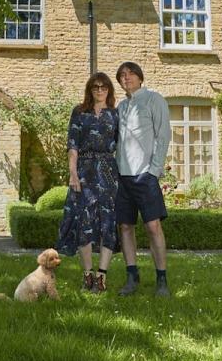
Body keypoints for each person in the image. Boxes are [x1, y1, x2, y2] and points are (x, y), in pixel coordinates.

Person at [55, 73, 120, 293]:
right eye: (95, 87)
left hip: (109, 172)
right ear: (90, 90)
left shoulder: (116, 114)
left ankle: (102, 277)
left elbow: (124, 145)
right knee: (83, 220)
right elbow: (72, 145)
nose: (100, 90)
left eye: (104, 87)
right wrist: (73, 173)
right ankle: (87, 276)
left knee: (108, 221)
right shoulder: (79, 112)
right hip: (84, 170)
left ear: (109, 90)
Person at [114, 61, 172, 297]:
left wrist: (154, 170)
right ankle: (132, 276)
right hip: (123, 176)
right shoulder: (121, 106)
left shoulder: (154, 99)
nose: (126, 78)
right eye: (122, 76)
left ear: (140, 77)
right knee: (125, 227)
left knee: (153, 226)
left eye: (130, 74)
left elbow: (163, 135)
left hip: (145, 175)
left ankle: (161, 280)